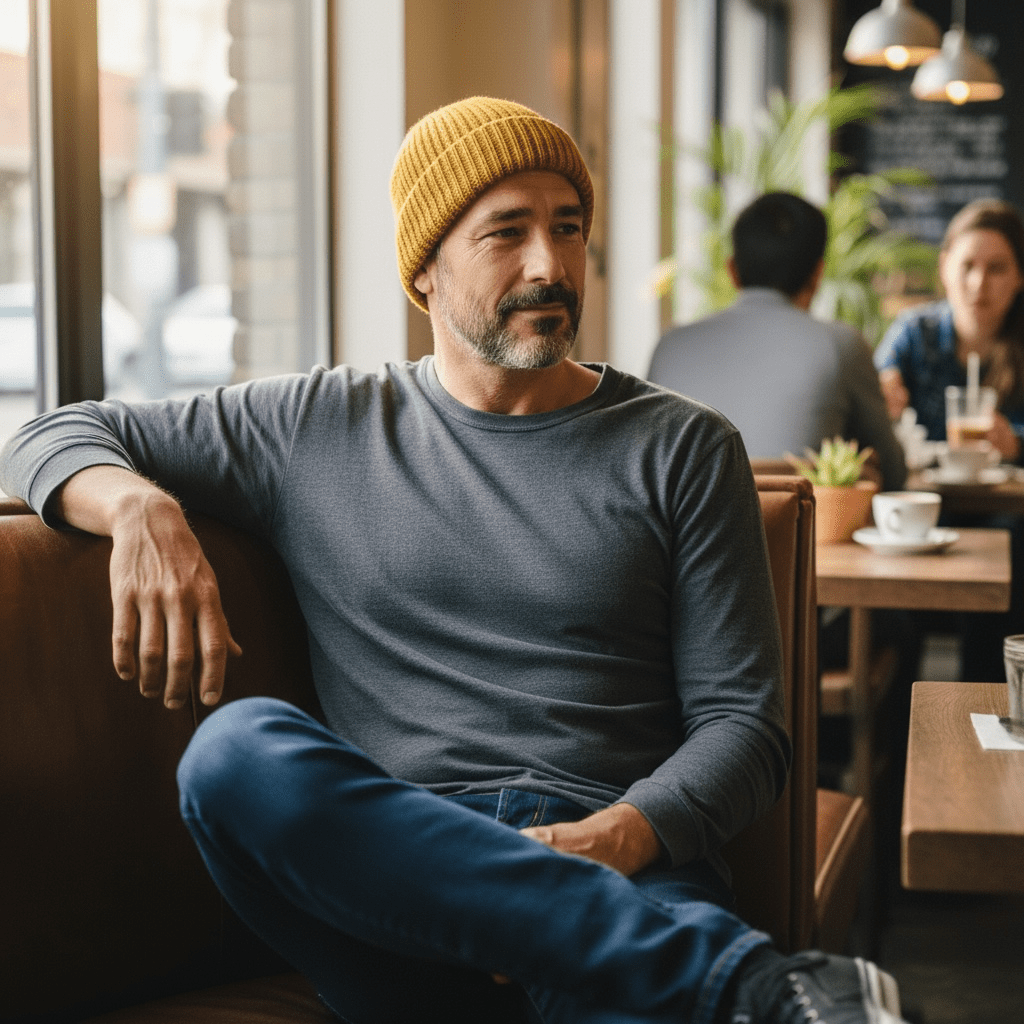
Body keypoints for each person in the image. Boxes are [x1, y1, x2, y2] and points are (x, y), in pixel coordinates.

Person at [0, 97, 907, 1024]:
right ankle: (746, 988)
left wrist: (621, 835)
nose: (549, 265)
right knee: (233, 756)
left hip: (622, 876)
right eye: (505, 233)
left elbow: (746, 727)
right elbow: (47, 433)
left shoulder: (683, 446)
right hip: (406, 886)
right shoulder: (314, 426)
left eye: (568, 228)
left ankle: (681, 970)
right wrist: (139, 507)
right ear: (425, 269)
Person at [648, 191, 906, 492]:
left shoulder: (670, 346)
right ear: (817, 274)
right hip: (795, 537)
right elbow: (894, 476)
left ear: (732, 271)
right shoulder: (842, 346)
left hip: (679, 538)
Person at [875, 199, 1024, 681]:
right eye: (968, 267)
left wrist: (1016, 443)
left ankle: (985, 707)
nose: (980, 284)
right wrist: (884, 395)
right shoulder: (914, 334)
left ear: (1019, 276)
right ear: (945, 270)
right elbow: (873, 391)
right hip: (928, 502)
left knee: (1008, 547)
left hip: (1005, 511)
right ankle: (900, 736)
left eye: (997, 269)